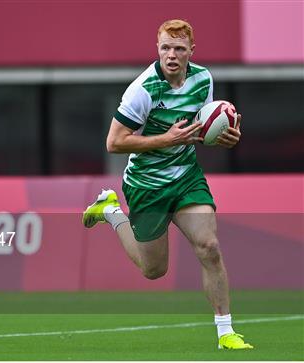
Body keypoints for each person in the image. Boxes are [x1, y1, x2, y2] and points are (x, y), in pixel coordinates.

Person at [82, 19, 252, 350]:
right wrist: (166, 139)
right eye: (165, 48)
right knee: (154, 270)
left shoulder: (203, 78)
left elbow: (202, 129)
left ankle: (226, 332)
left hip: (186, 175)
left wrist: (223, 136)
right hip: (146, 184)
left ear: (191, 51)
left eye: (178, 48)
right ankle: (111, 211)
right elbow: (114, 143)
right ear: (157, 48)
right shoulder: (143, 89)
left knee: (209, 247)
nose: (171, 55)